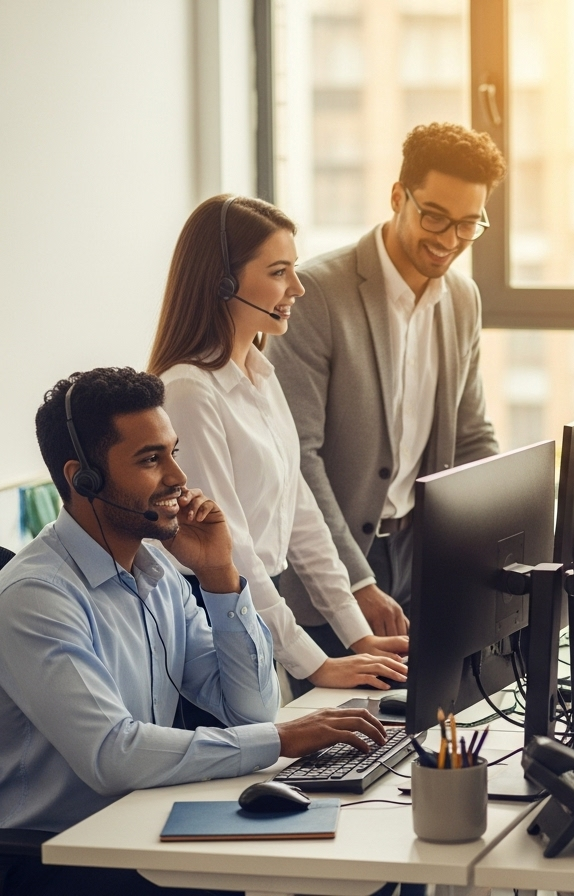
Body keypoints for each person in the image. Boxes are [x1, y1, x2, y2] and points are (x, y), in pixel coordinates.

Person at [0, 368, 387, 894]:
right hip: (55, 856)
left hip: (140, 822)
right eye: (151, 459)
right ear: (81, 478)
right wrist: (280, 739)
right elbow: (112, 755)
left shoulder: (158, 575)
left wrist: (219, 575)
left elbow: (248, 708)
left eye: (173, 451)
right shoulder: (38, 596)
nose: (179, 477)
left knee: (368, 866)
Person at [147, 195, 410, 696]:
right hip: (214, 619)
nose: (298, 287)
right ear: (224, 281)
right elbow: (233, 551)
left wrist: (358, 636)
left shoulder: (262, 376)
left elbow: (303, 517)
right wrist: (314, 664)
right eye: (279, 271)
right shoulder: (189, 391)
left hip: (259, 610)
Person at [266, 122, 502, 660]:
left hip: (421, 560)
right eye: (435, 217)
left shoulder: (462, 299)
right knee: (346, 733)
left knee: (420, 732)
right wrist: (354, 581)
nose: (448, 240)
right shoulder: (317, 293)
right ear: (399, 196)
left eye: (468, 225)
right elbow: (297, 455)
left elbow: (471, 435)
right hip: (328, 567)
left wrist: (507, 536)